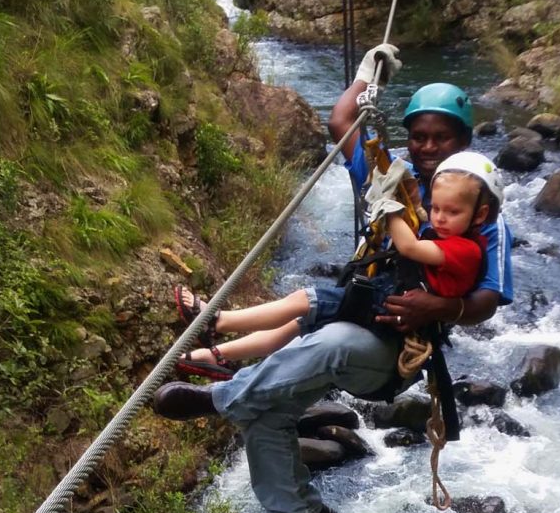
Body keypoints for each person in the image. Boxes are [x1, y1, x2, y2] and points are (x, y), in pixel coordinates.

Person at [153, 44, 514, 513]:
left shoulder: (482, 213)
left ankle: (218, 395)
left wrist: (443, 304)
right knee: (267, 415)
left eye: (443, 137)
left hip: (394, 349)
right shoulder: (390, 176)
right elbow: (343, 121)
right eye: (420, 135)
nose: (430, 147)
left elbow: (486, 300)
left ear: (465, 141)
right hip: (352, 310)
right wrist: (368, 78)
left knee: (332, 344)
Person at [172, 151, 503, 381]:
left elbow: (409, 245)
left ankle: (217, 321)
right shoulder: (453, 236)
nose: (441, 218)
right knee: (298, 323)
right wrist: (408, 202)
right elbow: (420, 230)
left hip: (387, 308)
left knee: (302, 300)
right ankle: (219, 356)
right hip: (390, 305)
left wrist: (389, 208)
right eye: (438, 209)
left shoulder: (466, 251)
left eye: (453, 212)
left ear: (480, 215)